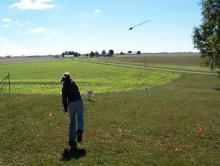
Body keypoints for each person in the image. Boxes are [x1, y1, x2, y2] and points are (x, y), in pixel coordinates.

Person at [60, 72, 84, 152]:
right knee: (80, 119)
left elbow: (64, 98)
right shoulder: (74, 83)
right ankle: (80, 130)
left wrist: (65, 107)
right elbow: (78, 92)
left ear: (64, 79)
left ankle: (71, 138)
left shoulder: (64, 87)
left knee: (72, 121)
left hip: (71, 104)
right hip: (80, 102)